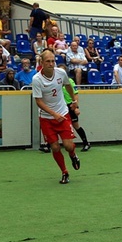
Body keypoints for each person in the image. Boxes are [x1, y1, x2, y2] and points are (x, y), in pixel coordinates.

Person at [32, 49, 81, 184]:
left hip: (63, 114)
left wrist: (73, 101)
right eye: (48, 61)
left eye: (53, 61)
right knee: (54, 147)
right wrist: (53, 114)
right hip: (47, 118)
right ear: (41, 62)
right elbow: (38, 101)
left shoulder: (61, 73)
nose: (51, 64)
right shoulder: (36, 79)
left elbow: (68, 85)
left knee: (68, 146)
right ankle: (64, 172)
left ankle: (73, 155)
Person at [63, 79, 91, 151]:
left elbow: (76, 94)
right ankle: (48, 145)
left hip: (70, 105)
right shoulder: (56, 81)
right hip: (61, 106)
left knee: (76, 125)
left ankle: (86, 143)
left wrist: (76, 107)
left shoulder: (70, 81)